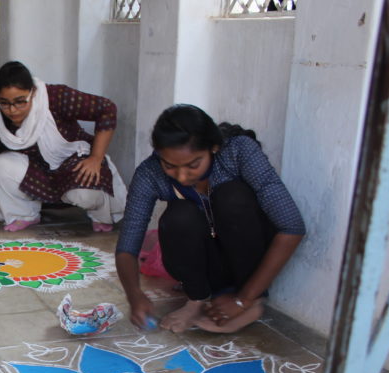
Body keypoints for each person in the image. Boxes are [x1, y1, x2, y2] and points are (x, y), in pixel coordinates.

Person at [115, 104, 306, 334]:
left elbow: (292, 226)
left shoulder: (238, 152)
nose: (182, 176)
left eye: (193, 164)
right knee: (178, 216)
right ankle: (197, 300)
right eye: (170, 166)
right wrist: (134, 295)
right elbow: (127, 244)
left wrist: (242, 299)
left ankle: (252, 303)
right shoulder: (150, 173)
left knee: (232, 196)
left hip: (249, 259)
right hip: (205, 265)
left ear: (213, 148)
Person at [0, 61, 124, 233]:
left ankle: (100, 215)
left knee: (84, 192)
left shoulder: (56, 97)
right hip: (38, 174)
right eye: (4, 103)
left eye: (20, 102)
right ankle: (23, 215)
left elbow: (107, 109)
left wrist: (96, 157)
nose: (12, 110)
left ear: (33, 92)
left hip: (72, 164)